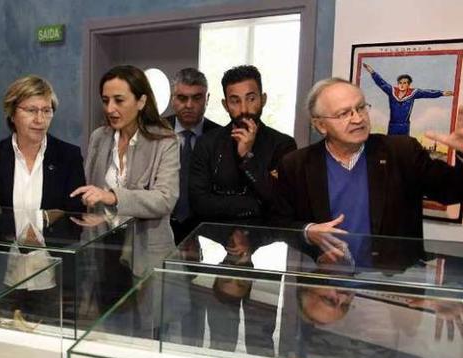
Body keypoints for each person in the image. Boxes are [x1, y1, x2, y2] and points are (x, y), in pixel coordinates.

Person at [272, 77, 463, 251]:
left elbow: (456, 190)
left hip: (390, 289)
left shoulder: (402, 152)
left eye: (361, 108)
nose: (358, 118)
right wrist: (308, 231)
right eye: (344, 113)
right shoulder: (296, 164)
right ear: (320, 125)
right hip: (326, 287)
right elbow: (279, 223)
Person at [72, 65, 179, 277]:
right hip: (102, 247)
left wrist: (112, 197)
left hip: (146, 250)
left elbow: (164, 199)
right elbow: (89, 190)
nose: (110, 108)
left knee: (146, 309)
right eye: (105, 100)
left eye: (119, 100)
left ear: (141, 101)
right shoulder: (98, 138)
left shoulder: (166, 140)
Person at [189, 65, 297, 226]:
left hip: (269, 239)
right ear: (226, 105)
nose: (244, 109)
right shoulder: (207, 143)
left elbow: (283, 203)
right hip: (217, 238)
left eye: (251, 98)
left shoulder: (283, 145)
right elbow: (199, 203)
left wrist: (247, 157)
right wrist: (257, 204)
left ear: (263, 99)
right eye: (235, 101)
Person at [0, 75, 85, 213]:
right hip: (6, 236)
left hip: (53, 236)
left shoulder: (69, 156)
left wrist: (3, 217)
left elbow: (76, 215)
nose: (40, 119)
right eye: (31, 110)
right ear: (12, 114)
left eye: (46, 111)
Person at [165, 68, 222, 241]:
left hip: (208, 230)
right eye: (182, 98)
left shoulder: (221, 137)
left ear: (207, 99)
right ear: (172, 99)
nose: (189, 105)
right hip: (160, 226)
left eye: (197, 98)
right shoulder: (155, 132)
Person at [363, 62, 453, 136]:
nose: (402, 85)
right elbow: (381, 83)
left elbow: (427, 93)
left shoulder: (413, 93)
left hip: (405, 126)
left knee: (404, 149)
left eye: (405, 83)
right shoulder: (392, 91)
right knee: (390, 148)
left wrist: (441, 93)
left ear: (408, 85)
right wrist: (372, 72)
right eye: (400, 83)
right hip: (393, 125)